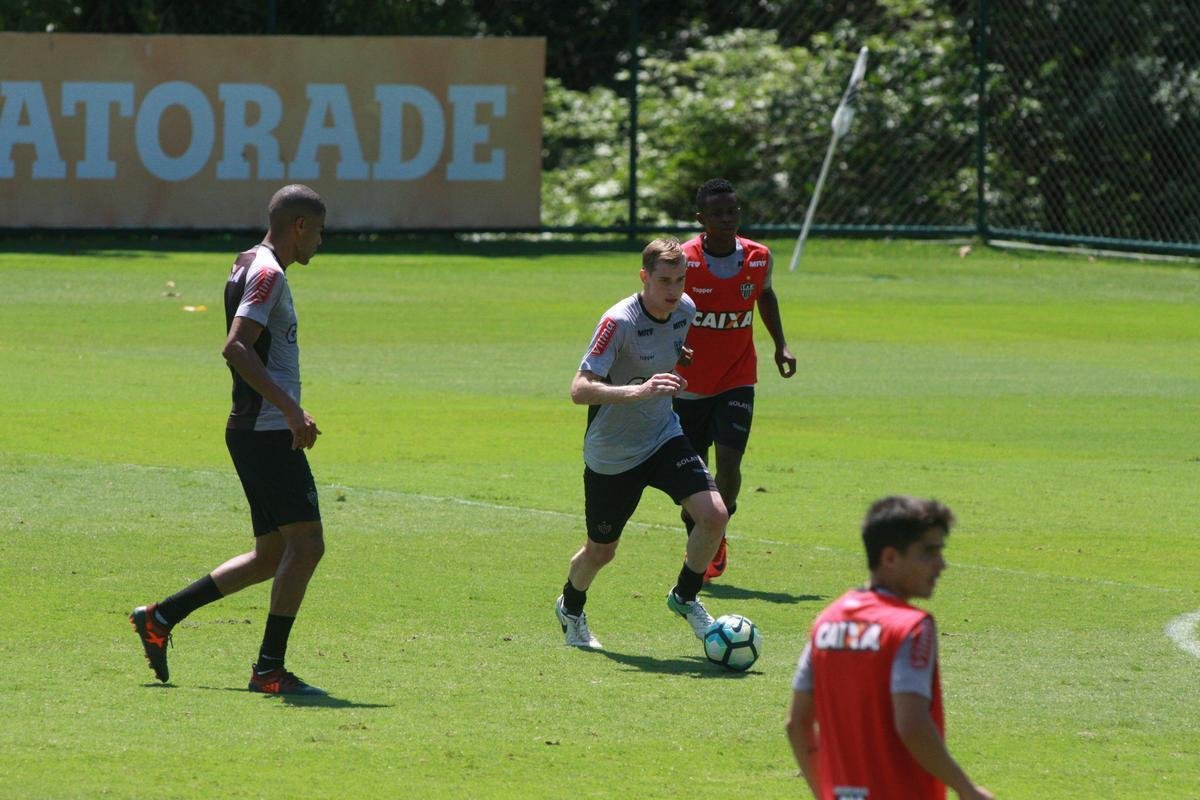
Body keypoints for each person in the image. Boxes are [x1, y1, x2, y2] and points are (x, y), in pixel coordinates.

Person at [130, 184, 329, 696]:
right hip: (264, 431)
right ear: (300, 226)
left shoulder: (247, 261)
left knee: (270, 554)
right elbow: (236, 347)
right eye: (319, 232)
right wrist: (288, 409)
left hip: (250, 427)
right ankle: (268, 670)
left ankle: (160, 617)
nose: (320, 244)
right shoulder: (268, 272)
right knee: (306, 546)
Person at [555, 237, 729, 650]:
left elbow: (667, 349)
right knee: (601, 551)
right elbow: (579, 390)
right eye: (665, 280)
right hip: (613, 453)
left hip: (663, 435)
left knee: (714, 514)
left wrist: (675, 362)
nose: (674, 290)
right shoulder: (618, 321)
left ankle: (685, 597)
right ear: (644, 277)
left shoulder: (685, 310)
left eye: (681, 280)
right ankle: (571, 607)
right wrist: (640, 390)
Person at [785, 496, 995, 800]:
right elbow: (912, 724)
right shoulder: (911, 627)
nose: (941, 564)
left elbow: (797, 723)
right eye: (928, 552)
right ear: (890, 558)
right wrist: (967, 789)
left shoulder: (825, 622)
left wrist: (825, 793)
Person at [674, 177, 796, 581]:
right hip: (688, 382)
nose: (727, 219)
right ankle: (701, 526)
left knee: (729, 461)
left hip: (737, 377)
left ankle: (718, 529)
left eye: (733, 211)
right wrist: (672, 347)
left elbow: (765, 295)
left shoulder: (758, 257)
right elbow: (663, 306)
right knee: (694, 468)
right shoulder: (683, 260)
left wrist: (781, 345)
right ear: (701, 219)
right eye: (718, 213)